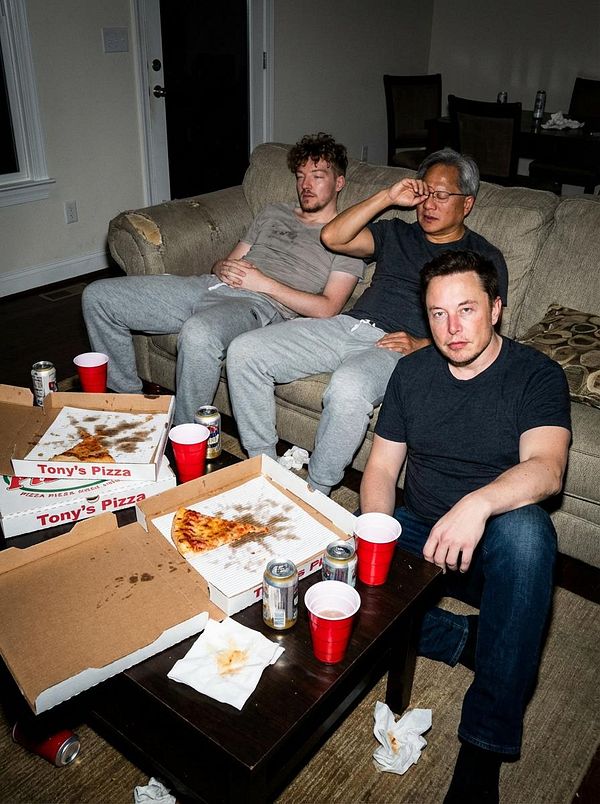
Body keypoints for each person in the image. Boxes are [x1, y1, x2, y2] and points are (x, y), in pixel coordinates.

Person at [361, 250, 571, 803]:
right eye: (437, 314)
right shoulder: (412, 370)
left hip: (492, 550)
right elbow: (382, 469)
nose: (451, 329)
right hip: (420, 532)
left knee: (529, 535)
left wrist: (477, 505)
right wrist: (375, 537)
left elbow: (547, 470)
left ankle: (483, 751)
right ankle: (465, 638)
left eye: (466, 310)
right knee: (328, 576)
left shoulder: (536, 374)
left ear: (496, 308)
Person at [226, 148, 508, 495]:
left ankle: (316, 492)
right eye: (425, 193)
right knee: (244, 351)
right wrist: (389, 197)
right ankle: (264, 472)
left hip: (397, 346)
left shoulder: (483, 258)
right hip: (347, 324)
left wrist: (423, 344)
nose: (429, 205)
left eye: (442, 196)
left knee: (349, 386)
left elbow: (484, 332)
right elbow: (332, 237)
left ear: (467, 204)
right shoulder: (396, 233)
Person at [82, 133, 365, 424]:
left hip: (259, 306)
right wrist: (221, 266)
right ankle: (127, 406)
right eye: (301, 176)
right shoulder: (273, 212)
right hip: (210, 286)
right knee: (99, 297)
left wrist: (263, 283)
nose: (305, 185)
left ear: (339, 183)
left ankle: (184, 432)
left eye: (317, 176)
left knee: (199, 332)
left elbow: (328, 307)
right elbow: (230, 261)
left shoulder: (350, 239)